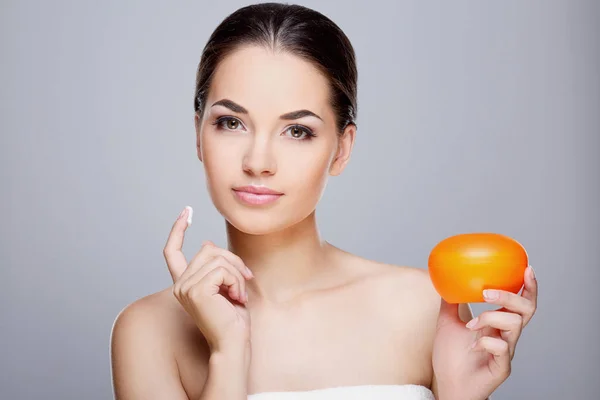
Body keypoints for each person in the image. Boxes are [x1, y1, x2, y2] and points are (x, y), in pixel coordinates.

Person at [110, 3, 538, 399]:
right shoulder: (149, 333)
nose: (258, 161)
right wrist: (228, 354)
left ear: (342, 149)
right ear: (198, 134)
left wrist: (460, 395)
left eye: (297, 131)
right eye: (231, 122)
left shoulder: (423, 308)